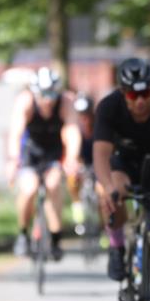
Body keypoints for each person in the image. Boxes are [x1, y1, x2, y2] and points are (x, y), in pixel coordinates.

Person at [93, 58, 150, 280]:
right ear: (123, 93)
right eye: (134, 95)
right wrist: (107, 187)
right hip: (124, 162)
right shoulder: (109, 107)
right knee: (112, 193)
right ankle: (117, 246)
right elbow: (101, 154)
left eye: (145, 93)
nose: (140, 101)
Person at [6, 67, 81, 260]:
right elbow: (15, 133)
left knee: (53, 185)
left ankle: (56, 237)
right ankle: (23, 233)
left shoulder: (66, 102)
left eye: (51, 95)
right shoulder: (26, 101)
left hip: (53, 152)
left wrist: (72, 158)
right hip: (31, 153)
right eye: (43, 95)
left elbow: (72, 131)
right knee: (29, 189)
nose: (47, 100)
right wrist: (13, 160)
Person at [68, 93, 95, 233]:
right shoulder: (74, 128)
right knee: (72, 179)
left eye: (86, 113)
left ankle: (104, 227)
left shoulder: (98, 126)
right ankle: (77, 211)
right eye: (80, 114)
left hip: (96, 163)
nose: (84, 118)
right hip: (82, 162)